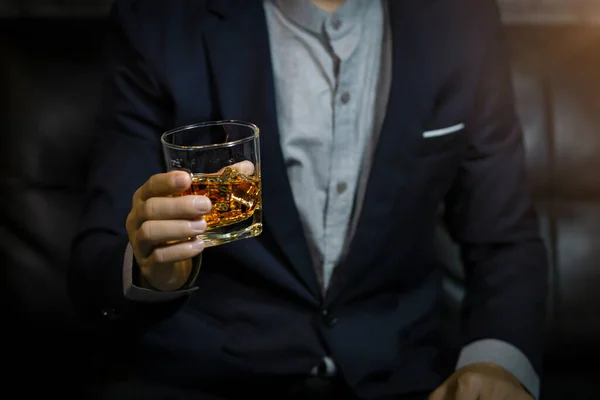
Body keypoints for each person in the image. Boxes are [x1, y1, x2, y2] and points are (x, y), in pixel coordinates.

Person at [68, 0, 548, 399]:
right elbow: (98, 256)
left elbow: (504, 238)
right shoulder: (159, 19)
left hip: (401, 378)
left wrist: (498, 359)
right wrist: (152, 272)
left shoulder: (461, 17)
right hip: (209, 377)